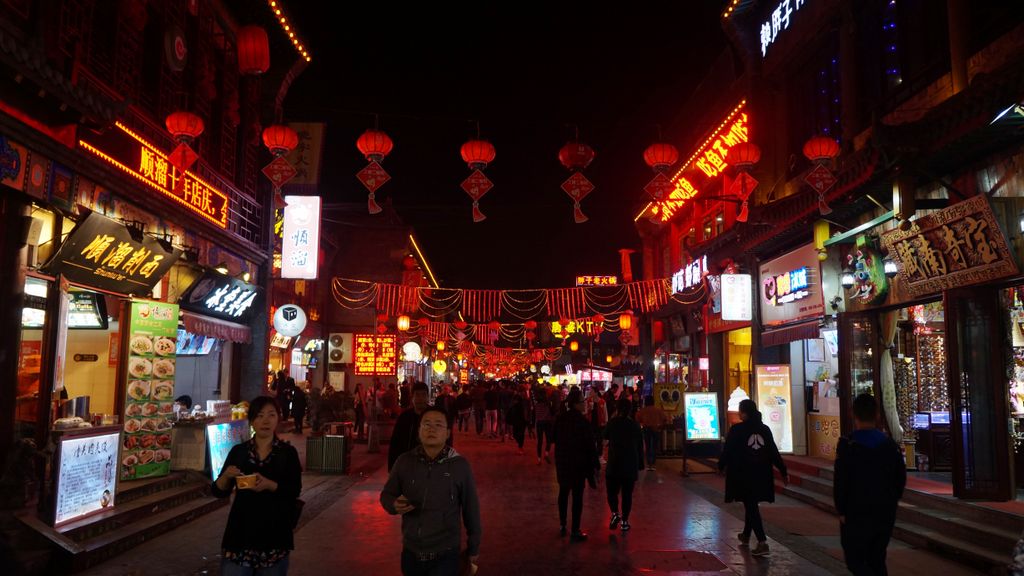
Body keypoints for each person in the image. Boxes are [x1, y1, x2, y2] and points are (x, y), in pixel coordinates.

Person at [381, 407, 482, 576]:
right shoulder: (405, 462)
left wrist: (474, 547)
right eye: (426, 424)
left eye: (438, 425)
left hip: (446, 554)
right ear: (419, 430)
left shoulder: (459, 466)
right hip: (411, 553)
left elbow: (471, 509)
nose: (431, 429)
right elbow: (386, 494)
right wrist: (393, 504)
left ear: (448, 433)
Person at [212, 396, 302, 575]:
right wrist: (226, 477)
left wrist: (270, 485)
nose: (265, 421)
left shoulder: (287, 454)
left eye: (271, 415)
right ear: (252, 421)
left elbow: (294, 490)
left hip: (274, 537)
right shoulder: (239, 452)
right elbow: (218, 491)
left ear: (278, 418)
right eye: (260, 416)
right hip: (240, 536)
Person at [834, 393, 906, 575]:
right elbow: (900, 478)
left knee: (855, 559)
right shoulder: (890, 446)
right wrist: (892, 500)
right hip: (884, 510)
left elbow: (841, 480)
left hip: (855, 511)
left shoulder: (847, 444)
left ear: (853, 414)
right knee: (877, 557)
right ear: (877, 415)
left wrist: (841, 509)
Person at [718, 398, 788, 557]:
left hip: (743, 473)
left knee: (750, 504)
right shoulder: (765, 429)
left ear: (744, 412)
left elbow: (727, 450)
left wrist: (721, 465)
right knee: (751, 503)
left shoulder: (737, 430)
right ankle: (746, 535)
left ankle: (762, 541)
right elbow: (773, 452)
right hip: (762, 473)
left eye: (740, 411)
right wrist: (783, 471)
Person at [553, 389, 600, 541]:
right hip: (579, 465)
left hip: (563, 462)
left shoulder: (561, 419)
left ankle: (562, 524)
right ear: (575, 404)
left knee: (563, 493)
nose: (584, 404)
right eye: (582, 402)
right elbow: (590, 446)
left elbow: (554, 438)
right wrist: (595, 465)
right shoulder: (583, 422)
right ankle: (575, 529)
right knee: (577, 497)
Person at [604, 397, 643, 532]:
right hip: (630, 464)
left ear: (617, 408)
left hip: (614, 463)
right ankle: (625, 522)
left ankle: (615, 513)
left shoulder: (612, 423)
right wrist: (640, 464)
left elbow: (605, 436)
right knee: (627, 495)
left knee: (612, 492)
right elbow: (639, 446)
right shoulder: (635, 425)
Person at [388, 382, 431, 471]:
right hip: (407, 467)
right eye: (417, 395)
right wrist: (392, 468)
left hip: (430, 467)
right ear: (412, 397)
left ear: (428, 397)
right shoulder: (404, 418)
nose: (420, 398)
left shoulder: (435, 416)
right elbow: (395, 443)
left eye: (423, 395)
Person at [635, 395, 670, 471]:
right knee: (654, 446)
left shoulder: (643, 410)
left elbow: (637, 419)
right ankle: (653, 463)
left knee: (647, 446)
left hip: (646, 429)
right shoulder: (658, 410)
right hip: (656, 429)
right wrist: (661, 426)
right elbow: (665, 419)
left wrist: (643, 423)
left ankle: (649, 463)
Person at [534, 387, 555, 464]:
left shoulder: (537, 403)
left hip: (539, 422)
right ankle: (546, 454)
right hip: (547, 422)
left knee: (540, 441)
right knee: (548, 439)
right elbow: (552, 412)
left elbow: (535, 413)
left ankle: (539, 459)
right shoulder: (548, 402)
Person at [506, 387, 528, 455]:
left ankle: (520, 447)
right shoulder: (515, 401)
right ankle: (520, 445)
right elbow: (510, 409)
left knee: (521, 434)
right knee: (515, 434)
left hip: (522, 420)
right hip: (516, 420)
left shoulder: (525, 401)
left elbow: (528, 410)